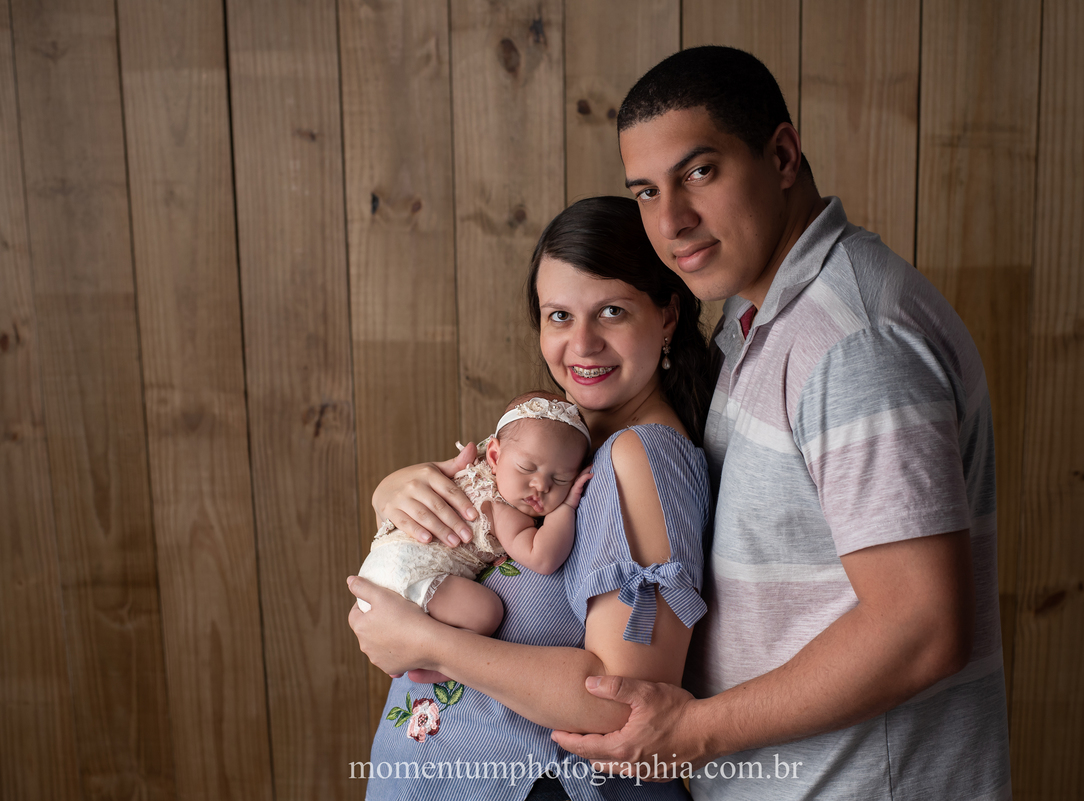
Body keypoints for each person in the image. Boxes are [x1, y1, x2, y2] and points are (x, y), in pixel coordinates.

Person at [542, 46, 1012, 800]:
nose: (672, 220)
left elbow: (921, 626)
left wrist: (692, 730)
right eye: (645, 191)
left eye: (700, 172)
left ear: (783, 155)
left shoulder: (854, 342)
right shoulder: (760, 318)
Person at [348, 196, 715, 800]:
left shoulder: (639, 458)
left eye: (613, 312)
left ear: (669, 313)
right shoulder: (568, 447)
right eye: (559, 316)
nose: (583, 344)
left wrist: (427, 641)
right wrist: (393, 495)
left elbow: (622, 704)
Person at [355, 391, 594, 683]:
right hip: (410, 575)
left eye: (560, 480)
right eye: (527, 468)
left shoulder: (473, 471)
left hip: (377, 570)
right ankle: (436, 663)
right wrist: (567, 504)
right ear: (494, 455)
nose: (540, 485)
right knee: (488, 612)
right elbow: (542, 558)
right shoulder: (499, 507)